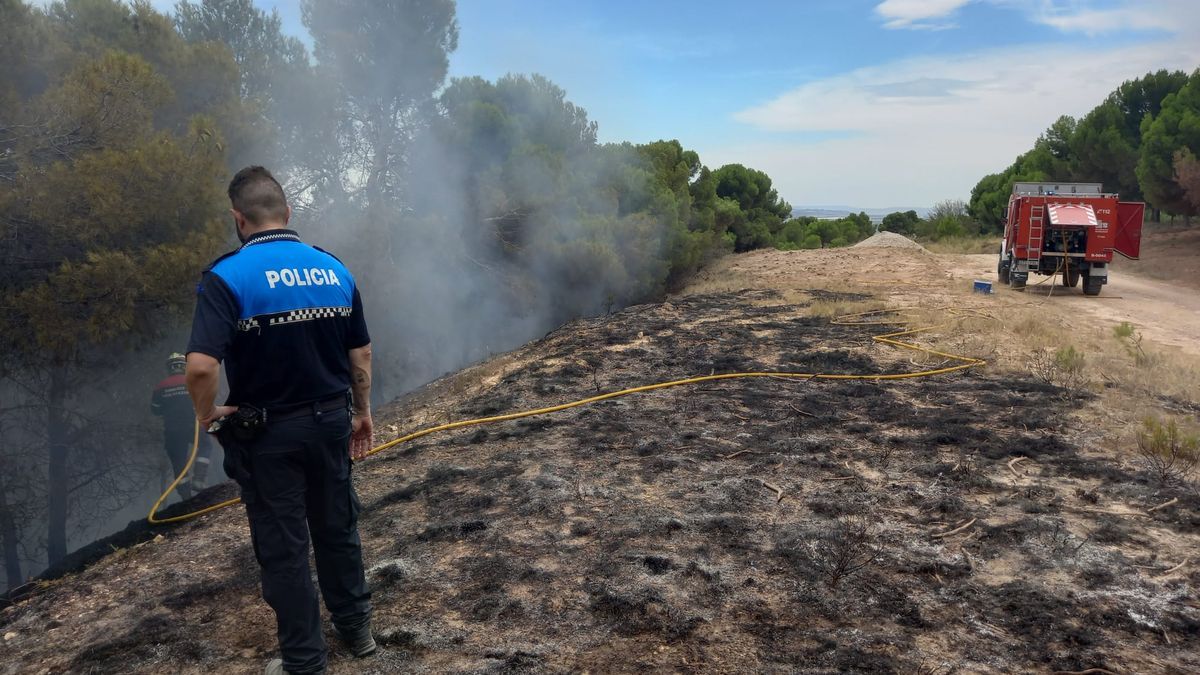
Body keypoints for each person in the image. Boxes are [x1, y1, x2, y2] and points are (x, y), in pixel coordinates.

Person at [185, 166, 376, 675]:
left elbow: (201, 366)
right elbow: (360, 354)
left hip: (269, 435)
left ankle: (304, 662)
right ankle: (357, 632)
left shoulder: (227, 277)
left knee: (285, 548)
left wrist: (207, 415)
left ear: (238, 219)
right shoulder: (333, 269)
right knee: (337, 527)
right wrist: (361, 413)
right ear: (287, 213)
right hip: (332, 421)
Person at [150, 352, 213, 498]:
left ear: (169, 369)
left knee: (178, 460)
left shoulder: (160, 387)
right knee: (205, 445)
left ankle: (186, 498)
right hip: (192, 426)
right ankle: (199, 480)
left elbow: (155, 410)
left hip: (172, 431)